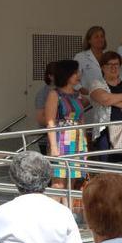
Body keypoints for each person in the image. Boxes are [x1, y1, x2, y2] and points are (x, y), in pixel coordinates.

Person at [88, 51, 122, 163]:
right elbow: (104, 99)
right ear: (103, 67)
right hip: (105, 134)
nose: (114, 68)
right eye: (110, 65)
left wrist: (111, 100)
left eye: (116, 64)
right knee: (108, 169)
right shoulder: (96, 83)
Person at [44, 60, 88, 191]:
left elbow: (81, 118)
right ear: (66, 75)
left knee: (72, 182)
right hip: (61, 139)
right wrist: (53, 147)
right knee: (58, 183)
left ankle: (69, 210)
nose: (78, 75)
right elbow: (50, 121)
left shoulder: (77, 94)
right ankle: (54, 210)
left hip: (77, 140)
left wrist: (85, 142)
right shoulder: (54, 94)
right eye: (75, 73)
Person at [73, 26, 106, 127]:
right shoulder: (81, 57)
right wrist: (82, 89)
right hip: (88, 99)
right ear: (89, 40)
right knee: (88, 131)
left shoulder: (108, 55)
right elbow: (73, 78)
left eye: (102, 36)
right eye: (96, 36)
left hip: (105, 99)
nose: (100, 39)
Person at [33, 61, 58, 156]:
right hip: (46, 139)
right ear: (50, 76)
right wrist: (61, 121)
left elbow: (85, 101)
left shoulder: (67, 90)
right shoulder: (42, 94)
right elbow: (40, 119)